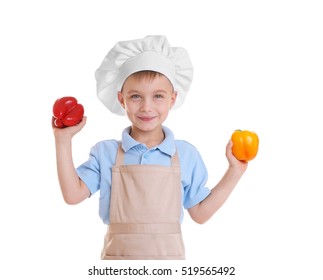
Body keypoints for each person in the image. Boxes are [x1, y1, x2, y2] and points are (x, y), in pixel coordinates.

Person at [53, 35, 248, 260]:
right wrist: (63, 140)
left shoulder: (185, 154)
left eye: (158, 96)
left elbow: (200, 213)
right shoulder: (105, 153)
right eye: (135, 96)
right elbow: (72, 195)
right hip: (117, 266)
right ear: (121, 99)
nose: (147, 107)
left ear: (173, 99)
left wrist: (235, 171)